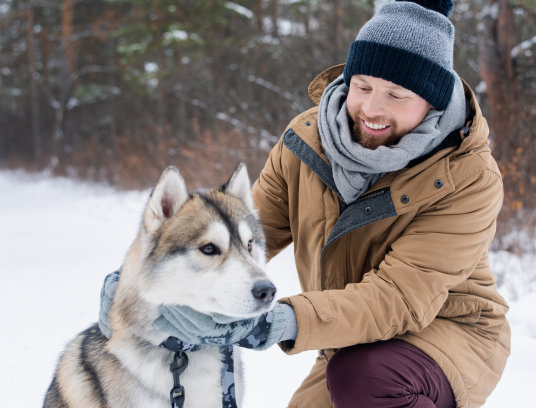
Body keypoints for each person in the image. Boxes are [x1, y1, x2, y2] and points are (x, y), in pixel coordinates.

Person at [100, 1, 510, 407]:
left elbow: (399, 298)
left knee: (365, 381)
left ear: (432, 103)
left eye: (397, 95)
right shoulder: (307, 140)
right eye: (362, 86)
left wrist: (275, 323)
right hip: (351, 340)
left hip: (450, 334)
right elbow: (246, 236)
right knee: (355, 377)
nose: (371, 109)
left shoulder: (467, 175)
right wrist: (134, 286)